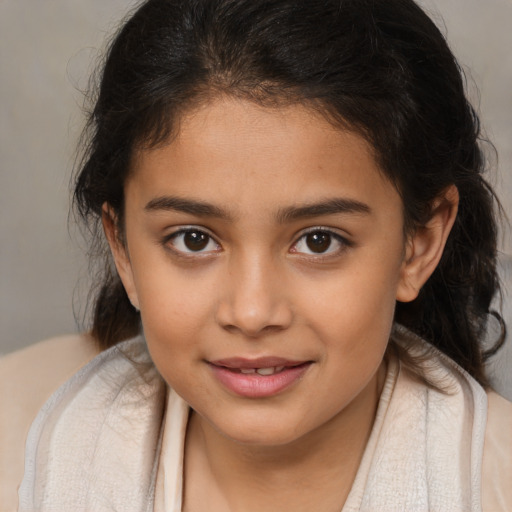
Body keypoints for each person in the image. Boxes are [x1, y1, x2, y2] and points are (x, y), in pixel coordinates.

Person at [5, 0, 512, 510]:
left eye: (319, 241)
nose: (251, 312)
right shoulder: (20, 451)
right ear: (124, 248)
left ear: (417, 244)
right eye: (194, 239)